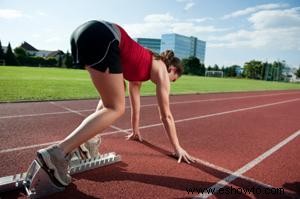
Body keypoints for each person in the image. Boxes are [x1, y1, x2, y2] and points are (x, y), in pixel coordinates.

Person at [36, 20, 195, 187]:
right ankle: (57, 154)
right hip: (104, 36)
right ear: (174, 70)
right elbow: (166, 115)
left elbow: (136, 104)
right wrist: (177, 147)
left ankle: (89, 141)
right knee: (115, 107)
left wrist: (135, 131)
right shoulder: (162, 70)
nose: (171, 83)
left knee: (114, 97)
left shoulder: (143, 66)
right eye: (174, 80)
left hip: (84, 33)